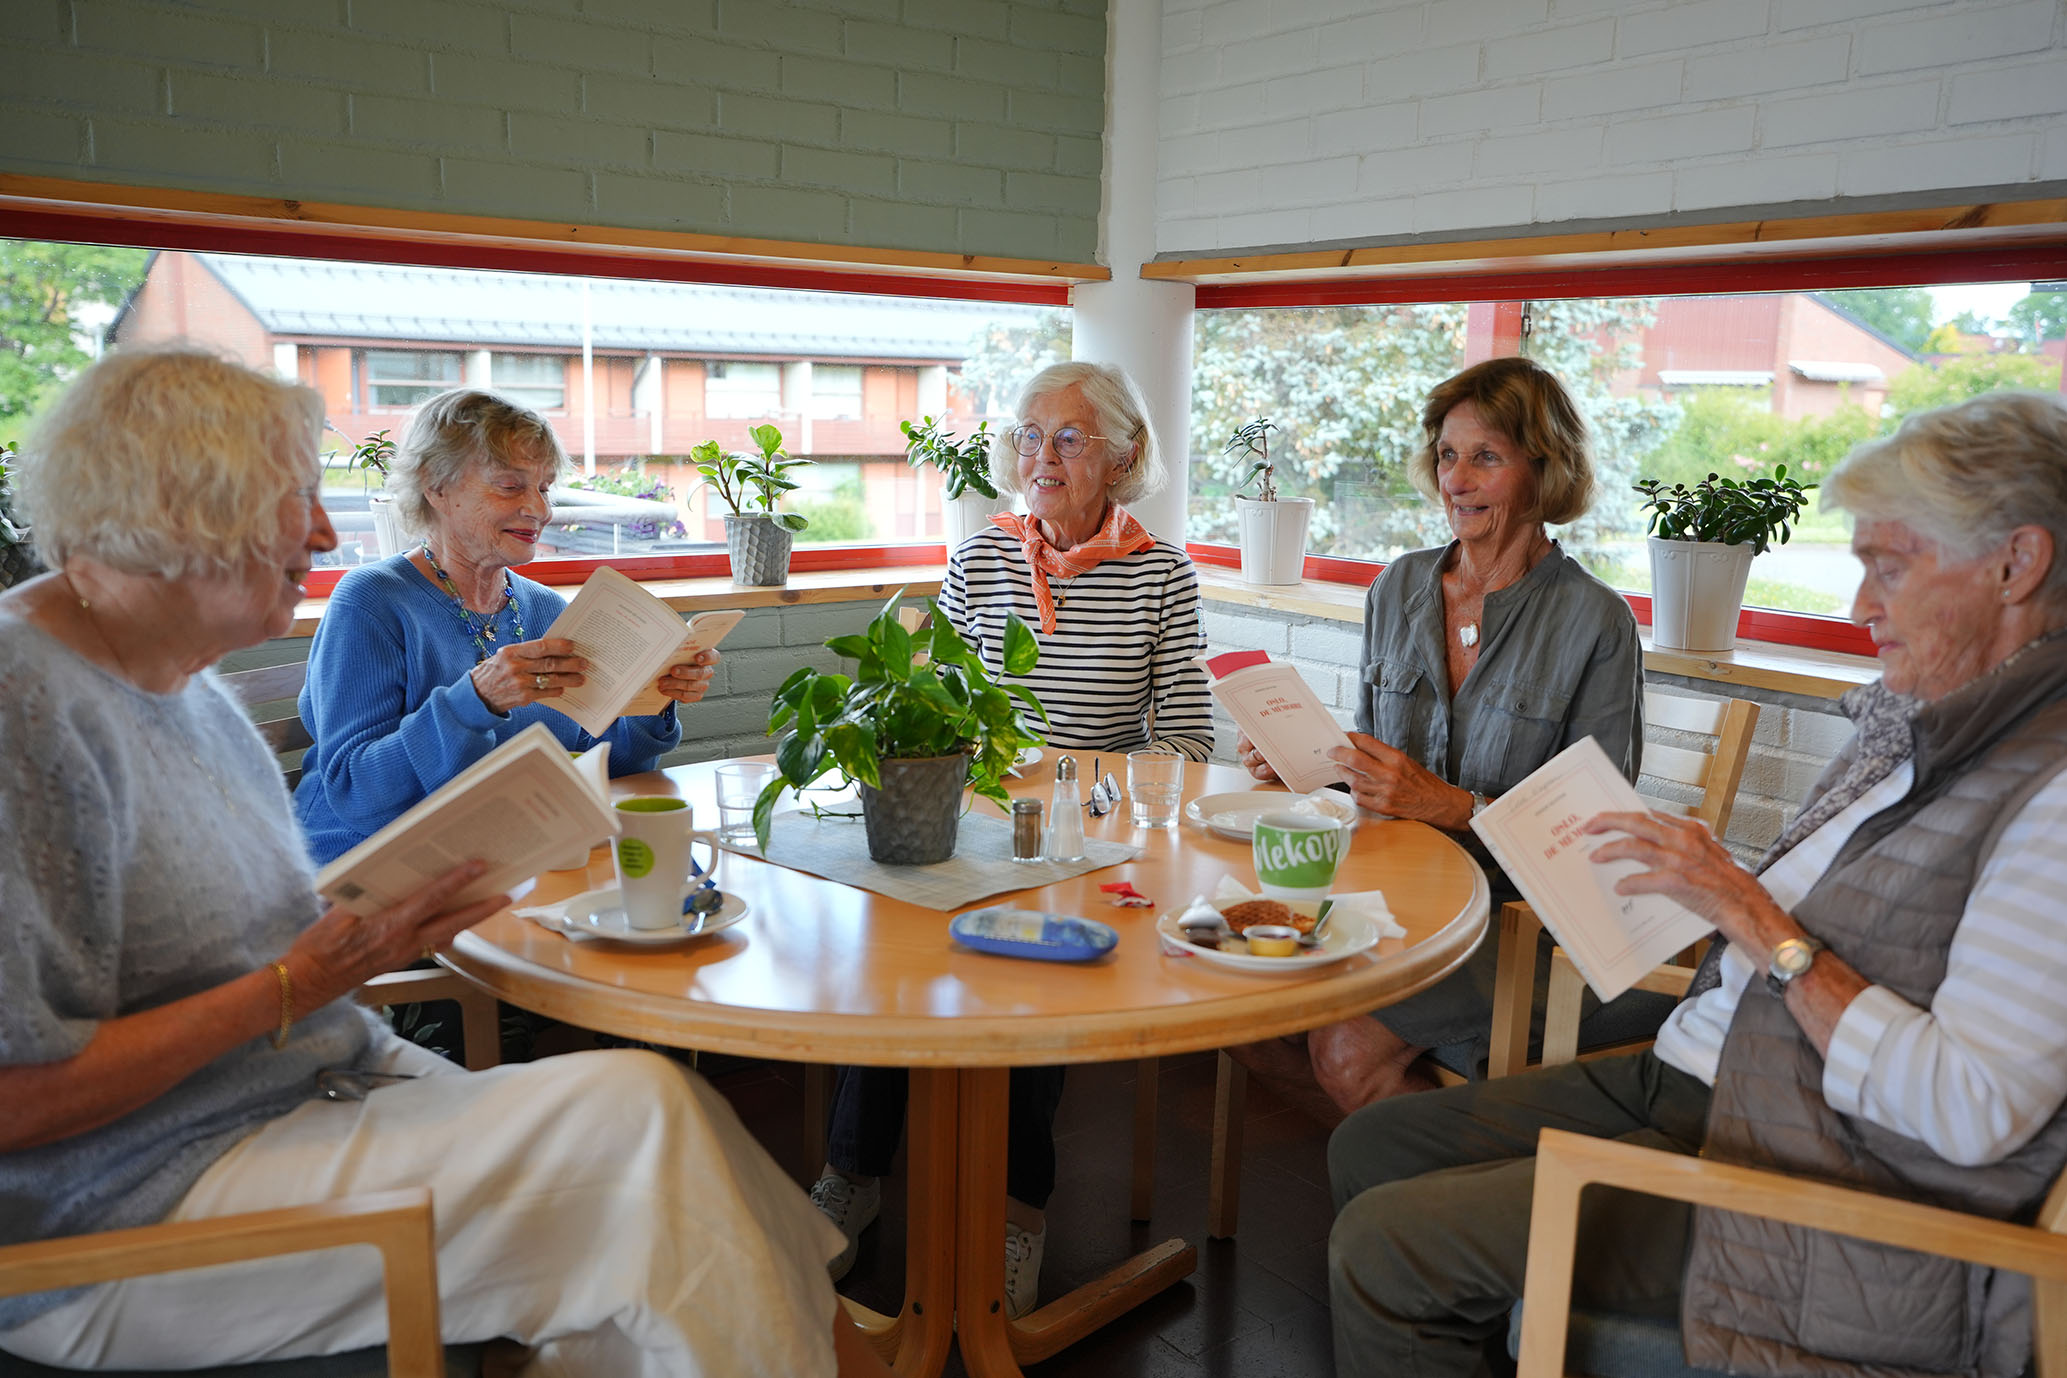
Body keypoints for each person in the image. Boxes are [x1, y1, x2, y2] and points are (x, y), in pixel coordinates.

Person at [0, 346, 890, 1377]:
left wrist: (361, 942)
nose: (328, 530)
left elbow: (250, 946)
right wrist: (307, 979)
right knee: (648, 1142)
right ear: (183, 508)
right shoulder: (27, 709)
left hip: (312, 1085)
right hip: (132, 1207)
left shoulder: (182, 686)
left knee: (665, 1132)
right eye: (297, 501)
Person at [1328, 390, 2067, 1378]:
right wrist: (1705, 893)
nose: (1860, 608)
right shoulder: (1918, 728)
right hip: (1700, 1076)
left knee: (1387, 1242)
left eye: (1889, 566)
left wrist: (1747, 912)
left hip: (1798, 1170)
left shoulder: (2047, 790)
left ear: (2018, 564)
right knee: (1367, 1149)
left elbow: (1972, 1105)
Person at [809, 361, 1214, 1318]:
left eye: (1068, 437)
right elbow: (932, 703)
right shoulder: (982, 558)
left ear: (1121, 456)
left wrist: (1075, 781)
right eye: (1029, 436)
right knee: (892, 954)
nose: (1042, 456)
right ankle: (851, 1174)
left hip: (1091, 840)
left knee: (1033, 985)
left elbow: (1190, 741)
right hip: (979, 822)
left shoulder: (1160, 572)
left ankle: (1015, 1217)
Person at [1234, 355, 1643, 1117]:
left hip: (1518, 923)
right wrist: (1304, 766)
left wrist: (1450, 806)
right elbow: (1377, 776)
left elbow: (1594, 837)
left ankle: (1426, 1218)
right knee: (1237, 1001)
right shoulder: (1397, 586)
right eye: (1447, 456)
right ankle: (1421, 1168)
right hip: (1394, 892)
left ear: (1543, 469)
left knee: (1345, 1048)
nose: (1456, 480)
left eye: (1486, 457)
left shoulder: (1595, 622)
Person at [294, 387, 717, 864]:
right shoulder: (372, 603)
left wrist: (649, 701)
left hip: (506, 858)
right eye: (511, 486)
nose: (539, 509)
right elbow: (357, 793)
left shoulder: (544, 609)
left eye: (545, 487)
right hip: (372, 868)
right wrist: (475, 700)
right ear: (436, 486)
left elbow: (606, 771)